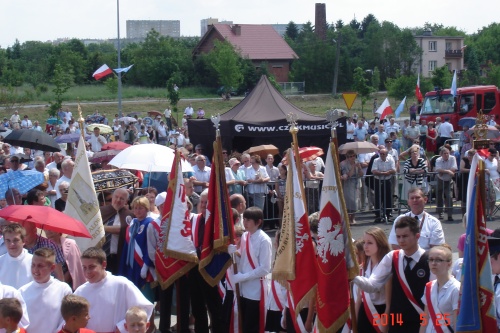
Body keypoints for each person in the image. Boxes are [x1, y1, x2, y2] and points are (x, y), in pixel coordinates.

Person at [354, 216, 431, 333]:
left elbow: (432, 297)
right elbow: (373, 285)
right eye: (398, 236)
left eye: (405, 236)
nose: (401, 240)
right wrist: (353, 277)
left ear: (417, 236)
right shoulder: (393, 257)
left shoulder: (429, 259)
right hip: (397, 322)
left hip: (420, 321)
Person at [74, 247, 154, 333]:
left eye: (91, 267)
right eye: (84, 267)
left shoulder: (121, 284)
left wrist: (122, 327)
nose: (87, 272)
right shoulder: (80, 291)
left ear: (104, 265)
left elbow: (144, 308)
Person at [228, 207, 272, 333]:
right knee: (245, 325)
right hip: (243, 289)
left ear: (258, 222)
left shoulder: (264, 240)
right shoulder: (245, 236)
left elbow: (264, 268)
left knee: (253, 326)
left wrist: (243, 277)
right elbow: (243, 258)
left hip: (255, 290)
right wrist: (233, 253)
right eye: (244, 219)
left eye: (248, 220)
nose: (245, 222)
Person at [19, 248, 72, 333]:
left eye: (40, 266)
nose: (35, 270)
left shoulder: (64, 289)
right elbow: (19, 321)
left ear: (52, 268)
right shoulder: (22, 291)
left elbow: (66, 319)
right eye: (33, 265)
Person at [119, 197, 156, 302]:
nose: (137, 211)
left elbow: (151, 246)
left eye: (140, 208)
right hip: (131, 265)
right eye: (135, 208)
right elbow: (126, 247)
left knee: (146, 300)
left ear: (147, 209)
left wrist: (146, 265)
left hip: (143, 266)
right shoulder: (131, 225)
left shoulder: (150, 223)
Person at [356, 227, 391, 333]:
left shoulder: (386, 268)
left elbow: (388, 304)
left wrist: (385, 325)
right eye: (364, 242)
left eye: (370, 243)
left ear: (380, 244)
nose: (365, 246)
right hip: (364, 311)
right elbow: (359, 298)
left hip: (380, 311)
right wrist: (355, 320)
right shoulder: (363, 267)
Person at [419, 245, 460, 333]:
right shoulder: (429, 287)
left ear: (449, 264)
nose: (433, 263)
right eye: (431, 259)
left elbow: (457, 322)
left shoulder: (456, 288)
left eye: (438, 260)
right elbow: (425, 318)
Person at [101, 188, 133, 275]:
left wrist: (102, 228)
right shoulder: (101, 211)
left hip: (118, 257)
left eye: (122, 198)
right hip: (101, 255)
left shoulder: (129, 215)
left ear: (126, 201)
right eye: (116, 197)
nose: (118, 200)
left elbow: (122, 230)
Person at [0, 223, 33, 289]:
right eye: (8, 241)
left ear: (23, 241)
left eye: (15, 240)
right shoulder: (1, 261)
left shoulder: (33, 261)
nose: (11, 244)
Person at [372, 148, 396, 223]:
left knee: (388, 197)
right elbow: (374, 171)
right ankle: (378, 215)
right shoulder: (376, 160)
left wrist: (385, 173)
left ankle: (388, 214)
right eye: (381, 154)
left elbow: (393, 170)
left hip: (387, 180)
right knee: (378, 197)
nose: (382, 155)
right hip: (378, 180)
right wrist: (384, 173)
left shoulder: (390, 159)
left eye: (383, 154)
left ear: (386, 154)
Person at [340, 150, 363, 225]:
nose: (353, 158)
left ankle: (353, 218)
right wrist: (353, 167)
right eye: (350, 156)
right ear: (347, 157)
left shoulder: (357, 163)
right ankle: (347, 218)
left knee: (355, 202)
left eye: (354, 156)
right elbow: (348, 175)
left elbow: (361, 174)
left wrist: (359, 168)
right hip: (348, 185)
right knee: (349, 202)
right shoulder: (343, 164)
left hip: (356, 184)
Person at [434, 147, 457, 221]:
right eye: (444, 153)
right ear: (441, 154)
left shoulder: (452, 158)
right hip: (440, 180)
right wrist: (448, 172)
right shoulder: (438, 160)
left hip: (448, 180)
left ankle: (450, 215)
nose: (446, 155)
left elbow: (454, 169)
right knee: (439, 197)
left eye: (447, 153)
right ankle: (440, 213)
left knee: (449, 197)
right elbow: (438, 169)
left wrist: (443, 171)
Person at [485, 148, 500, 219]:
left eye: (494, 155)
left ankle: (491, 212)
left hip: (496, 179)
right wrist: (485, 170)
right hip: (488, 180)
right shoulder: (485, 161)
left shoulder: (496, 160)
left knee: (494, 198)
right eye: (492, 155)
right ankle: (487, 212)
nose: (493, 156)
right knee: (490, 197)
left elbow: (498, 169)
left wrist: (498, 158)